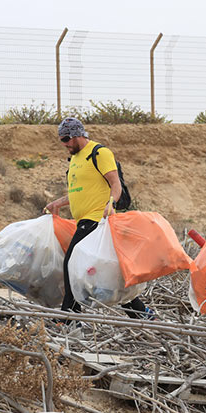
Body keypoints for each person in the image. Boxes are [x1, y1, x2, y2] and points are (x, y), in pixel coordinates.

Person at [45, 117, 153, 320]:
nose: (65, 144)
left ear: (78, 134)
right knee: (107, 270)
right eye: (61, 140)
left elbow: (115, 184)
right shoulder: (76, 159)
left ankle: (69, 317)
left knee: (71, 263)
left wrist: (111, 203)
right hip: (83, 220)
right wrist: (57, 203)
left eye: (67, 138)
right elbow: (79, 191)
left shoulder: (99, 153)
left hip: (96, 219)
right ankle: (140, 313)